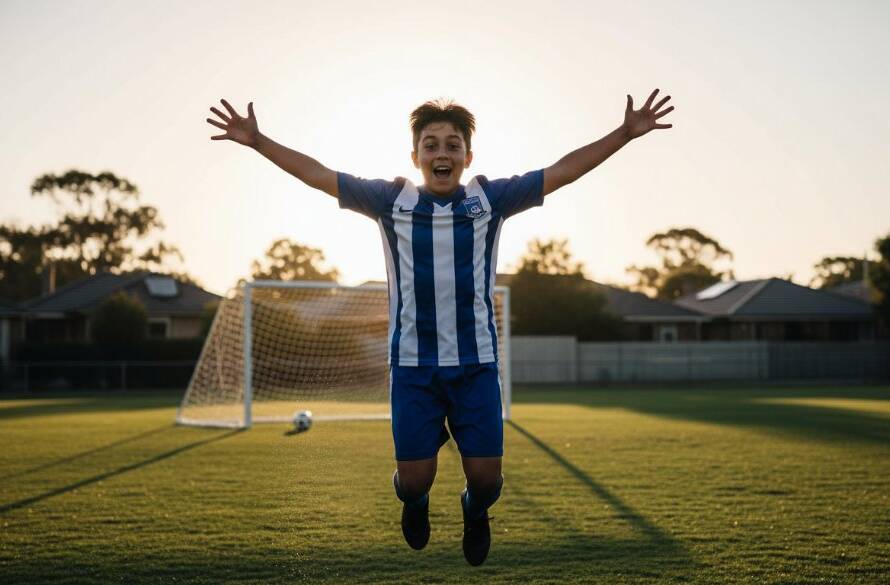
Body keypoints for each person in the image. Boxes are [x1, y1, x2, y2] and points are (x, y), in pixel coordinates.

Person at [206, 90, 673, 565]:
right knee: (413, 482)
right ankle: (416, 502)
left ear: (467, 157)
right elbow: (320, 176)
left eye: (453, 145)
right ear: (415, 157)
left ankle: (475, 510)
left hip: (475, 366)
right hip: (413, 368)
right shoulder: (390, 200)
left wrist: (624, 134)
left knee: (488, 481)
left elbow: (562, 171)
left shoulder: (490, 199)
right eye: (431, 145)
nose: (442, 153)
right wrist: (259, 141)